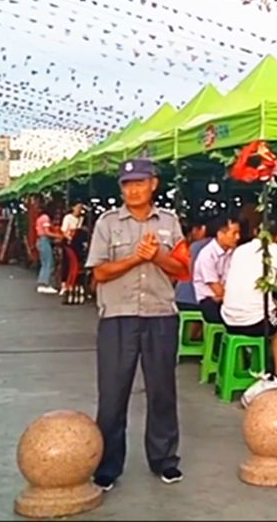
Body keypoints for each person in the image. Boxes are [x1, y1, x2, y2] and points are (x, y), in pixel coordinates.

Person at [85, 159, 186, 490]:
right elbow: (99, 272)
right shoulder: (107, 223)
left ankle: (165, 460)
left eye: (139, 183)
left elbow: (181, 269)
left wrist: (156, 256)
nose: (133, 190)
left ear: (153, 184)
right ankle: (108, 466)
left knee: (162, 392)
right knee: (113, 395)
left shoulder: (169, 222)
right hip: (118, 316)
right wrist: (135, 258)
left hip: (160, 314)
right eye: (127, 184)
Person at [220, 219, 277, 379]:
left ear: (256, 232)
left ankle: (255, 364)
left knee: (273, 304)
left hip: (229, 318)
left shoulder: (240, 250)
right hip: (253, 322)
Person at [191, 216, 240, 325]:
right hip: (209, 302)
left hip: (225, 299)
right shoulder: (207, 255)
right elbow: (218, 290)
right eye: (234, 233)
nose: (238, 237)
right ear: (220, 234)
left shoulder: (233, 253)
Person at [34, 205, 58, 295]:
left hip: (40, 240)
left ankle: (42, 283)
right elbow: (47, 232)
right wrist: (58, 235)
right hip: (44, 240)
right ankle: (45, 284)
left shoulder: (40, 217)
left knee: (44, 263)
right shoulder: (46, 218)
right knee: (49, 263)